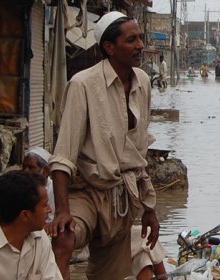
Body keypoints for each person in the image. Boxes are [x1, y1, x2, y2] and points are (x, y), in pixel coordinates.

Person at [48, 11, 162, 280]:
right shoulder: (83, 84)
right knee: (63, 239)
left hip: (123, 198)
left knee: (108, 275)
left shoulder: (143, 82)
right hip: (88, 190)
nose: (140, 46)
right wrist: (63, 211)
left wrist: (149, 209)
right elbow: (63, 156)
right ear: (109, 48)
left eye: (141, 39)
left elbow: (140, 152)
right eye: (131, 40)